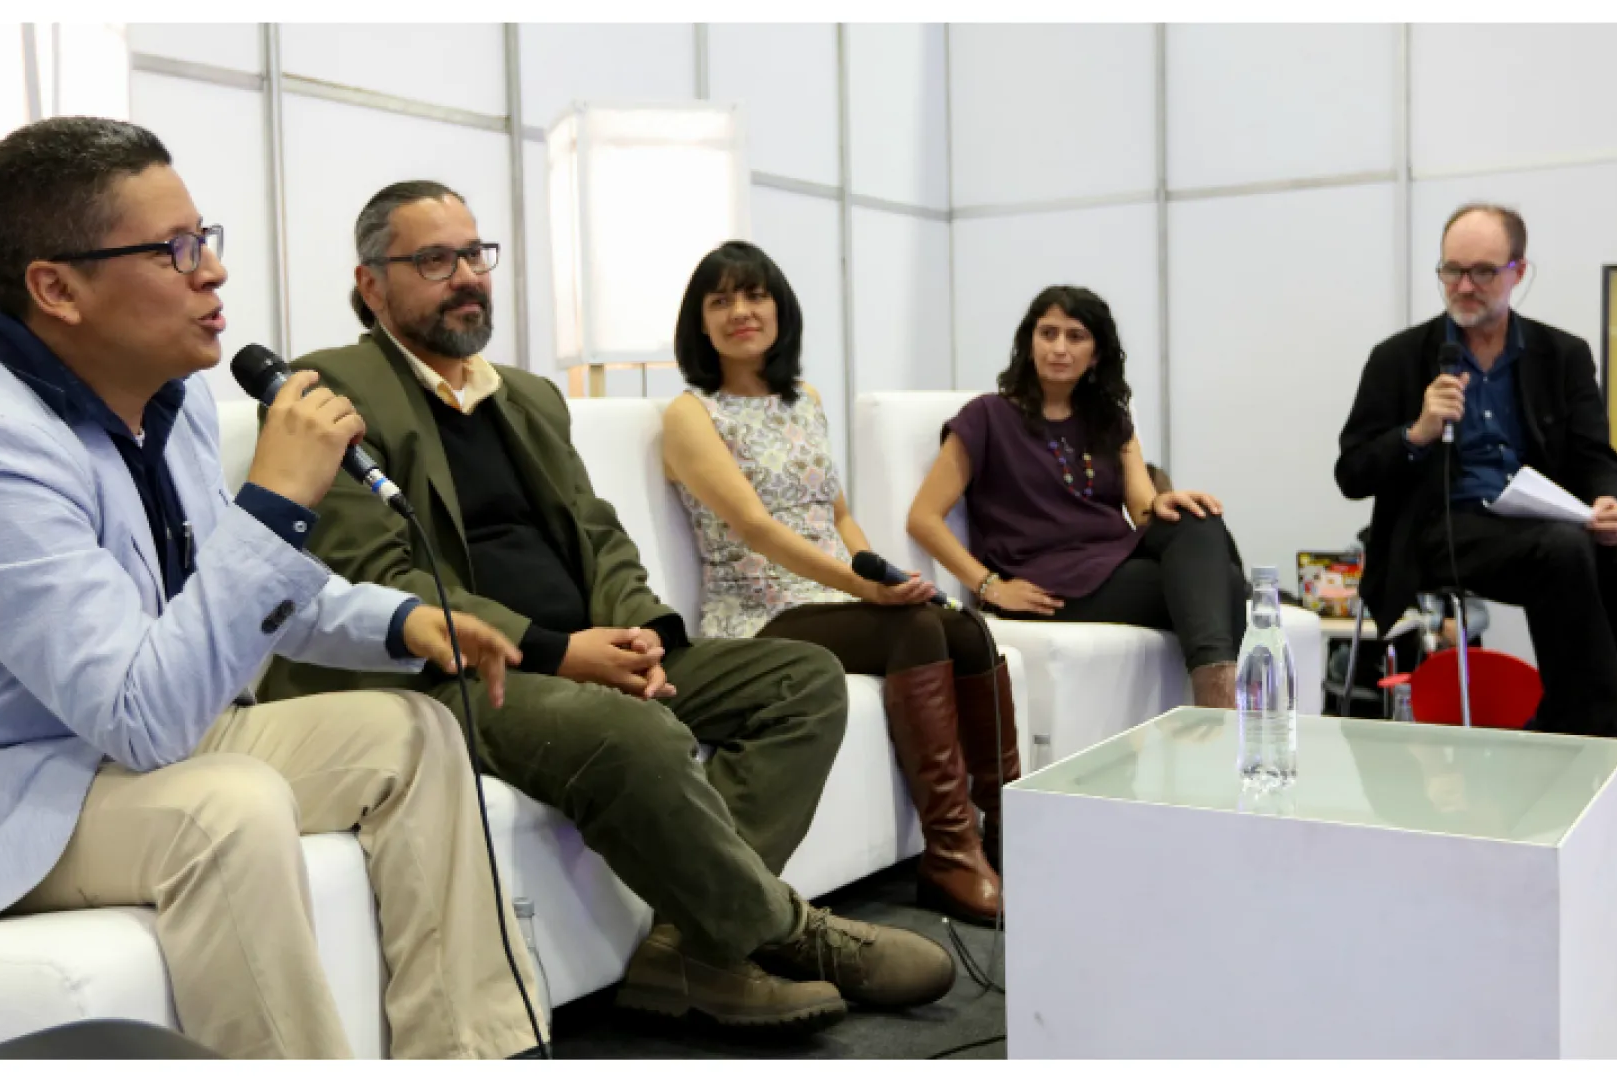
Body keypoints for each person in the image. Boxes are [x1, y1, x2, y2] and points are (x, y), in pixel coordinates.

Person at [0, 118, 544, 1060]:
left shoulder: (173, 391)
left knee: (412, 735)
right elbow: (145, 716)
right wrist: (276, 498)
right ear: (56, 287)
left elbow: (250, 591)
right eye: (175, 250)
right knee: (226, 806)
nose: (213, 273)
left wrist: (406, 621)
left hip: (117, 748)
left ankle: (472, 1053)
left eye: (206, 240)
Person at [257, 182, 955, 1036]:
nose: (467, 277)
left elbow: (600, 534)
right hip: (455, 671)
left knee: (802, 680)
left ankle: (689, 949)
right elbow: (381, 574)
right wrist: (560, 651)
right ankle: (787, 931)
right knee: (636, 733)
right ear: (372, 285)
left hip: (589, 650)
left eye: (476, 255)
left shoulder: (523, 394)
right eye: (435, 260)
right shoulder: (333, 387)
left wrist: (644, 638)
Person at [660, 240, 1014, 927]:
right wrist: (867, 594)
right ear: (698, 323)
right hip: (759, 613)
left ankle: (1008, 834)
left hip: (834, 595)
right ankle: (949, 853)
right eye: (721, 300)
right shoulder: (690, 414)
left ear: (779, 308)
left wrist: (881, 573)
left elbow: (840, 515)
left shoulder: (804, 400)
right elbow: (757, 528)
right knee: (914, 627)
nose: (741, 311)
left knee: (964, 627)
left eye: (755, 295)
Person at [1336, 204, 1617, 755]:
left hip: (1540, 524)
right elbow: (1351, 473)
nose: (1464, 286)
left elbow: (1595, 454)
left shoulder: (1561, 355)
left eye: (1484, 272)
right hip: (1440, 530)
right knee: (1562, 551)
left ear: (1519, 271)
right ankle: (1606, 756)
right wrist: (1417, 432)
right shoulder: (1398, 358)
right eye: (1451, 271)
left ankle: (1556, 729)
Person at [907, 285, 1250, 710]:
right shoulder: (986, 417)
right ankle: (1222, 714)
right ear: (1028, 342)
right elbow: (922, 517)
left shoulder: (1109, 419)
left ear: (1097, 353)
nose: (1059, 348)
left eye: (1075, 336)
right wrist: (990, 586)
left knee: (1197, 519)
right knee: (1228, 585)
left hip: (1113, 560)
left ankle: (1214, 707)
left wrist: (1167, 503)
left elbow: (1144, 510)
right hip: (1045, 578)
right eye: (1047, 333)